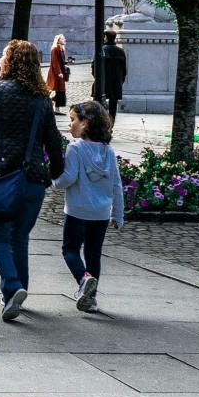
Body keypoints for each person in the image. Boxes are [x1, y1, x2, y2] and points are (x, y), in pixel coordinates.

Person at [0, 39, 67, 321]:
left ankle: (12, 288)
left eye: (3, 56)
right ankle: (17, 295)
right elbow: (53, 140)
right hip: (32, 180)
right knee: (20, 238)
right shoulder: (41, 99)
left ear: (12, 62)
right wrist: (53, 173)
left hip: (0, 177)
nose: (0, 60)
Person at [49, 100, 123, 313]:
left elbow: (69, 177)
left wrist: (53, 183)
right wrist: (118, 214)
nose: (69, 124)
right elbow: (116, 185)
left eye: (73, 120)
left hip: (77, 210)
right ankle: (91, 299)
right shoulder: (108, 151)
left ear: (86, 123)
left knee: (70, 249)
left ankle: (83, 279)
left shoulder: (76, 148)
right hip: (100, 213)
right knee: (93, 254)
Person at [97, 29, 128, 119]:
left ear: (106, 38)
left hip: (104, 81)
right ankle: (111, 122)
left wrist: (97, 78)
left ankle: (102, 121)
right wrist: (121, 80)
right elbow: (124, 69)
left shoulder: (102, 49)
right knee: (113, 104)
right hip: (116, 82)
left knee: (99, 102)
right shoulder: (120, 51)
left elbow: (94, 66)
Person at [48, 34, 70, 111]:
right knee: (52, 88)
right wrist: (59, 72)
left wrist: (66, 62)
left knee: (60, 90)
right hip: (55, 73)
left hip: (60, 73)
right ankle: (45, 100)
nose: (65, 40)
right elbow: (55, 62)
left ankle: (56, 108)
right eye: (63, 39)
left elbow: (61, 61)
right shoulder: (55, 49)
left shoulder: (62, 49)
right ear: (58, 40)